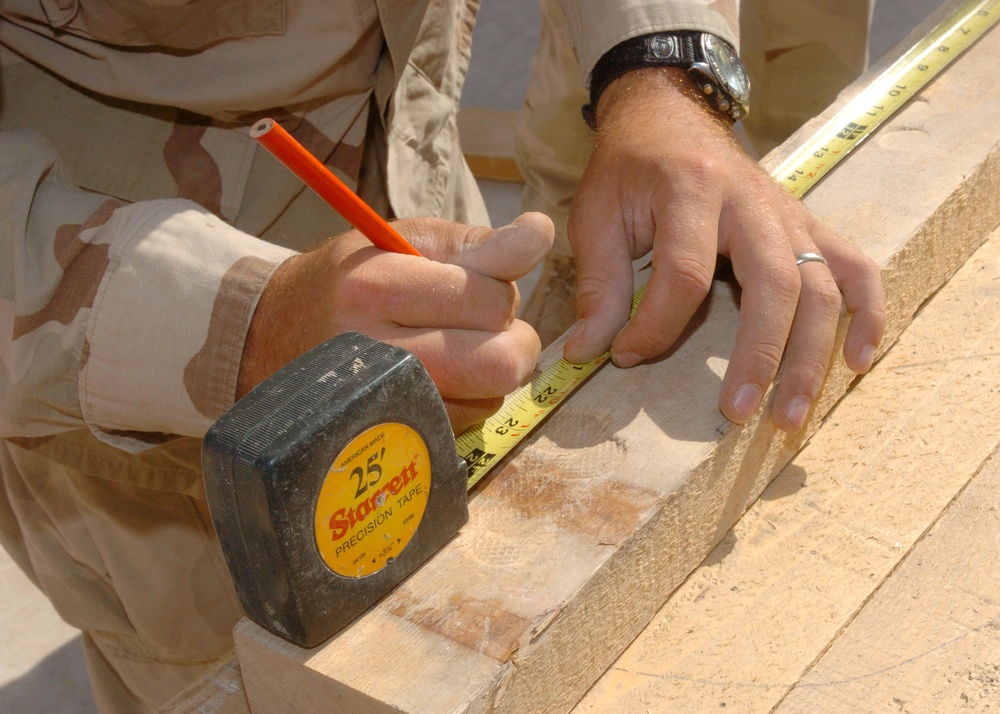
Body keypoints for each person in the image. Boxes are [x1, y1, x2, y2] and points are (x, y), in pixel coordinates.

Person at [0, 0, 885, 710]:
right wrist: (241, 321)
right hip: (105, 327)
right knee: (244, 666)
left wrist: (656, 67)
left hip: (402, 175)